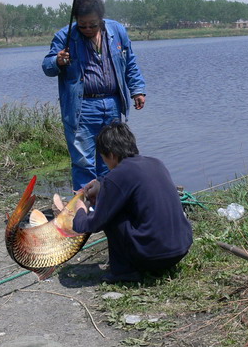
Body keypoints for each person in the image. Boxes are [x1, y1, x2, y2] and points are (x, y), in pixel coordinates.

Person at [42, 0, 146, 192]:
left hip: (113, 104)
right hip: (83, 108)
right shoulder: (64, 36)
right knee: (84, 161)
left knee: (112, 156)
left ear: (101, 19)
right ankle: (85, 210)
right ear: (76, 21)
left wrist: (137, 90)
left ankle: (109, 202)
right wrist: (58, 60)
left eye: (93, 24)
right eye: (83, 25)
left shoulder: (117, 31)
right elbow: (47, 67)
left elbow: (130, 63)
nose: (88, 29)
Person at [70, 121, 193, 283]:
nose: (105, 163)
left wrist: (80, 210)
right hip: (181, 249)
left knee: (111, 213)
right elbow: (128, 183)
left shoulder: (116, 177)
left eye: (104, 158)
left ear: (112, 155)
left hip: (153, 257)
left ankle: (124, 272)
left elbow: (90, 225)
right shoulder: (156, 163)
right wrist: (101, 184)